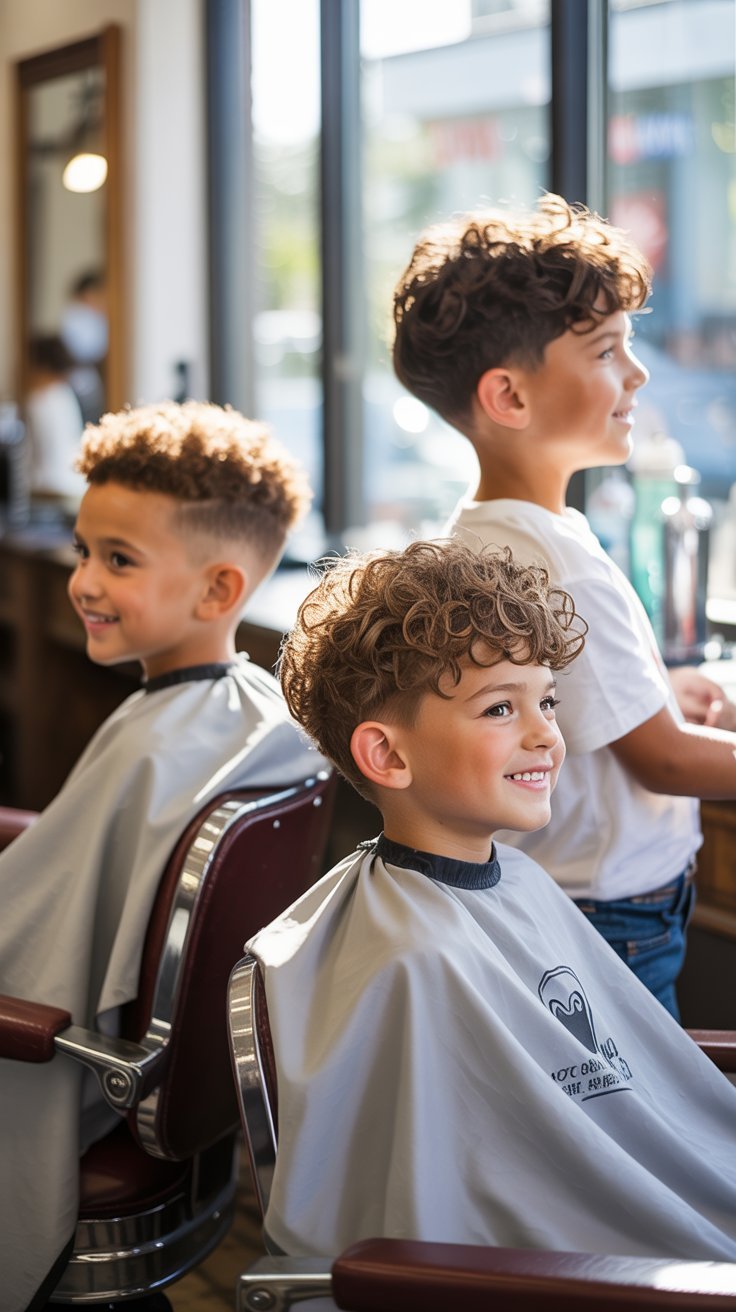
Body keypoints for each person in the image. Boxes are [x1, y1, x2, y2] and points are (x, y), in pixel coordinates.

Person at [247, 539, 736, 1262]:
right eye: (501, 708)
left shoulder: (519, 877)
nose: (546, 734)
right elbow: (435, 1220)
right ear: (387, 755)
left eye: (547, 700)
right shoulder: (414, 963)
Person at [0, 400, 327, 1312]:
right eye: (84, 552)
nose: (84, 584)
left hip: (73, 1073)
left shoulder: (154, 746)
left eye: (119, 561)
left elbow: (35, 920)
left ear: (219, 591)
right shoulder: (263, 714)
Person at [390, 192, 736, 1019]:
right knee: (630, 1124)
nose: (639, 374)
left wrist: (655, 693)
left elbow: (560, 702)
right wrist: (663, 726)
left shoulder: (484, 534)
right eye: (609, 352)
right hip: (613, 915)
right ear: (509, 397)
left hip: (553, 896)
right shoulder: (560, 560)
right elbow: (666, 763)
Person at [24, 334, 86, 505]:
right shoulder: (64, 394)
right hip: (73, 484)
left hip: (47, 489)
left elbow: (40, 458)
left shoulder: (39, 400)